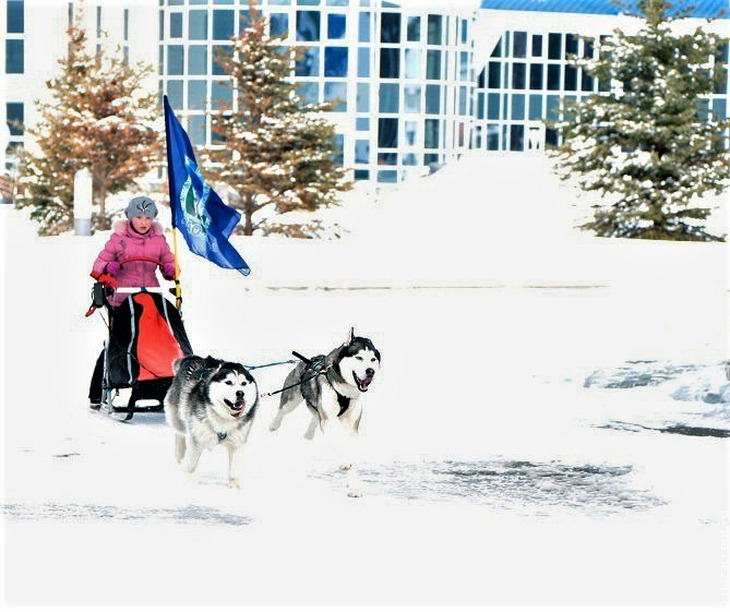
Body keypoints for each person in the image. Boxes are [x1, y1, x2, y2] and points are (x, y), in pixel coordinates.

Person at [88, 196, 177, 410]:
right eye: (138, 216)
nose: (143, 222)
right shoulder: (118, 239)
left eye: (148, 217)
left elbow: (168, 263)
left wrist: (171, 270)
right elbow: (98, 265)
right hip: (122, 300)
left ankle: (160, 379)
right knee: (119, 343)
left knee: (157, 339)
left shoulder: (159, 240)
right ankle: (97, 392)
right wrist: (108, 267)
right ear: (130, 217)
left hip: (150, 298)